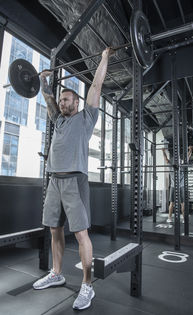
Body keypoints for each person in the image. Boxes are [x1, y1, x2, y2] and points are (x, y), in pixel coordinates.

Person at [33, 47, 114, 310]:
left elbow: (97, 86)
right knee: (55, 230)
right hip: (54, 181)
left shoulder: (86, 117)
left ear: (76, 103)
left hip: (74, 182)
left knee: (80, 235)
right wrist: (43, 80)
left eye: (67, 100)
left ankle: (87, 286)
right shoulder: (58, 121)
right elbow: (47, 100)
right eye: (62, 100)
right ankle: (57, 273)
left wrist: (103, 59)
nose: (63, 102)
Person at [162, 146, 193, 223]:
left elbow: (188, 157)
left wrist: (190, 150)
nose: (178, 161)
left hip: (179, 187)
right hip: (174, 187)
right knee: (172, 203)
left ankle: (182, 218)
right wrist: (190, 150)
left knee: (182, 203)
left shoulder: (180, 166)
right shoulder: (173, 166)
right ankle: (170, 217)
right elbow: (166, 159)